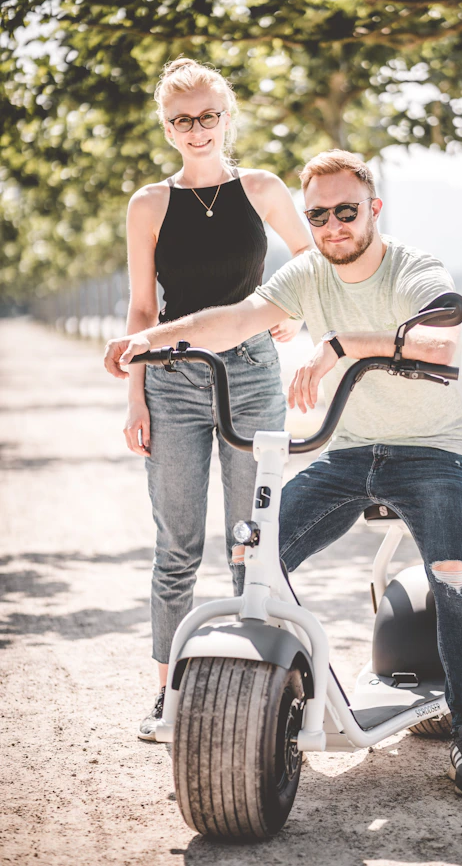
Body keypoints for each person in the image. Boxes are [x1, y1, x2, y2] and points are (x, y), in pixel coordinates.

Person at [105, 149, 462, 798]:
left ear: (373, 209)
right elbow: (233, 318)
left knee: (452, 576)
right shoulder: (308, 271)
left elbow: (441, 345)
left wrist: (342, 343)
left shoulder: (413, 268)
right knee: (253, 550)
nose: (332, 225)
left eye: (347, 211)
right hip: (350, 452)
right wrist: (151, 340)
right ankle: (287, 690)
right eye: (318, 214)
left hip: (435, 451)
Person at [121, 57, 312, 741]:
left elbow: (310, 260)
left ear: (227, 117)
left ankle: (255, 689)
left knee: (250, 542)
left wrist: (293, 313)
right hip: (171, 380)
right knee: (176, 545)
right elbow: (143, 306)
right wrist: (136, 398)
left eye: (208, 116)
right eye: (182, 120)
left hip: (252, 373)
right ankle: (172, 693)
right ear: (167, 126)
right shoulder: (148, 203)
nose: (196, 130)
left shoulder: (261, 187)